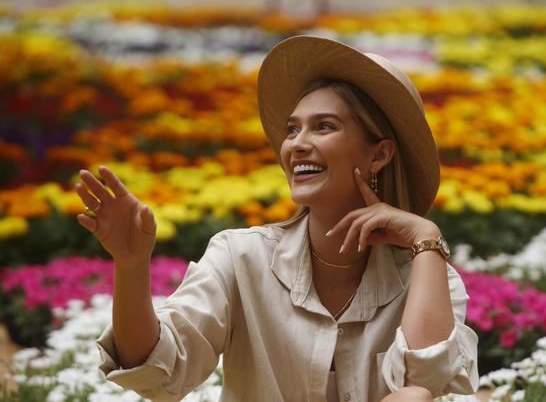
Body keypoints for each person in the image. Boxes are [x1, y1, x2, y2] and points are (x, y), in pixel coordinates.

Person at [75, 36, 479, 402]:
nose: (298, 145)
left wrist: (426, 235)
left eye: (324, 127)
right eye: (292, 130)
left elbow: (425, 383)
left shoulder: (429, 276)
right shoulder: (240, 257)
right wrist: (131, 267)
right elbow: (159, 370)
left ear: (379, 154)